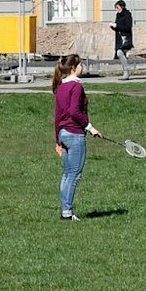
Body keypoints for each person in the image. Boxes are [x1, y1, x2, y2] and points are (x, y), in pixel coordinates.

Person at [52, 54, 102, 221]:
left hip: (63, 134)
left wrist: (58, 141)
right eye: (81, 65)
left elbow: (58, 116)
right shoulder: (76, 87)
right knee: (74, 175)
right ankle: (67, 212)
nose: (83, 67)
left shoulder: (60, 87)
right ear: (74, 68)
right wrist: (90, 127)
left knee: (67, 174)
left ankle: (65, 210)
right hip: (74, 135)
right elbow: (74, 112)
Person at [111, 0, 134, 79]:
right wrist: (113, 27)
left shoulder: (127, 15)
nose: (116, 9)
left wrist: (116, 26)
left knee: (119, 53)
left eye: (117, 7)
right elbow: (118, 27)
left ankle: (126, 69)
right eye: (115, 8)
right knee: (122, 55)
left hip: (126, 38)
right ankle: (126, 74)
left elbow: (127, 27)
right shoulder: (118, 15)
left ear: (122, 7)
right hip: (119, 39)